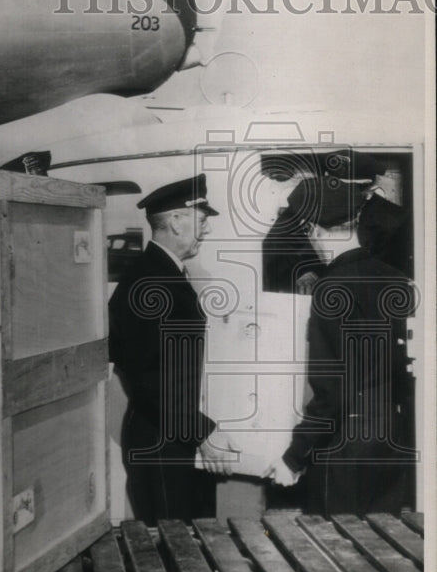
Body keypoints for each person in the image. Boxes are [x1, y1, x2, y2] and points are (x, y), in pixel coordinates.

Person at [265, 176, 414, 517]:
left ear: (313, 229)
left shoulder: (331, 290)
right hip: (392, 435)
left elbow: (332, 392)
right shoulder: (397, 279)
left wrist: (294, 456)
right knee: (383, 543)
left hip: (345, 444)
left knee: (334, 552)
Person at [108, 172, 236, 525]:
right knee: (174, 551)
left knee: (189, 545)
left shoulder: (164, 274)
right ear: (176, 222)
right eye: (202, 219)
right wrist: (202, 431)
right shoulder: (149, 283)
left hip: (173, 433)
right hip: (160, 440)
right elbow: (147, 378)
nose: (207, 229)